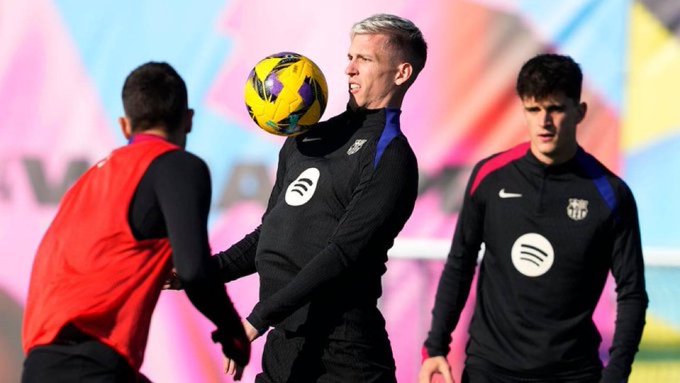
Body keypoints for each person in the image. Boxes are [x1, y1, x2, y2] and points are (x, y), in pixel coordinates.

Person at [216, 13, 427, 382]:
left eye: (365, 59)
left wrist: (257, 319)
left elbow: (342, 254)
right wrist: (198, 273)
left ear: (401, 73)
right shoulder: (304, 139)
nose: (349, 69)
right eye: (349, 57)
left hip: (345, 354)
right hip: (284, 349)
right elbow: (269, 235)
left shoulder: (391, 156)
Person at [419, 53, 648, 383]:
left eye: (555, 108)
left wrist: (617, 374)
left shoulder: (610, 194)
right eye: (534, 109)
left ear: (579, 112)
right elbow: (460, 263)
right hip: (490, 370)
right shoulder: (490, 177)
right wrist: (435, 346)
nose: (544, 121)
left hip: (572, 373)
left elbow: (632, 293)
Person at [22, 62, 250, 382]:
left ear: (125, 126)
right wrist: (232, 333)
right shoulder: (177, 166)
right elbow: (195, 270)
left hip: (41, 364)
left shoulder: (88, 181)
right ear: (188, 120)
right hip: (90, 364)